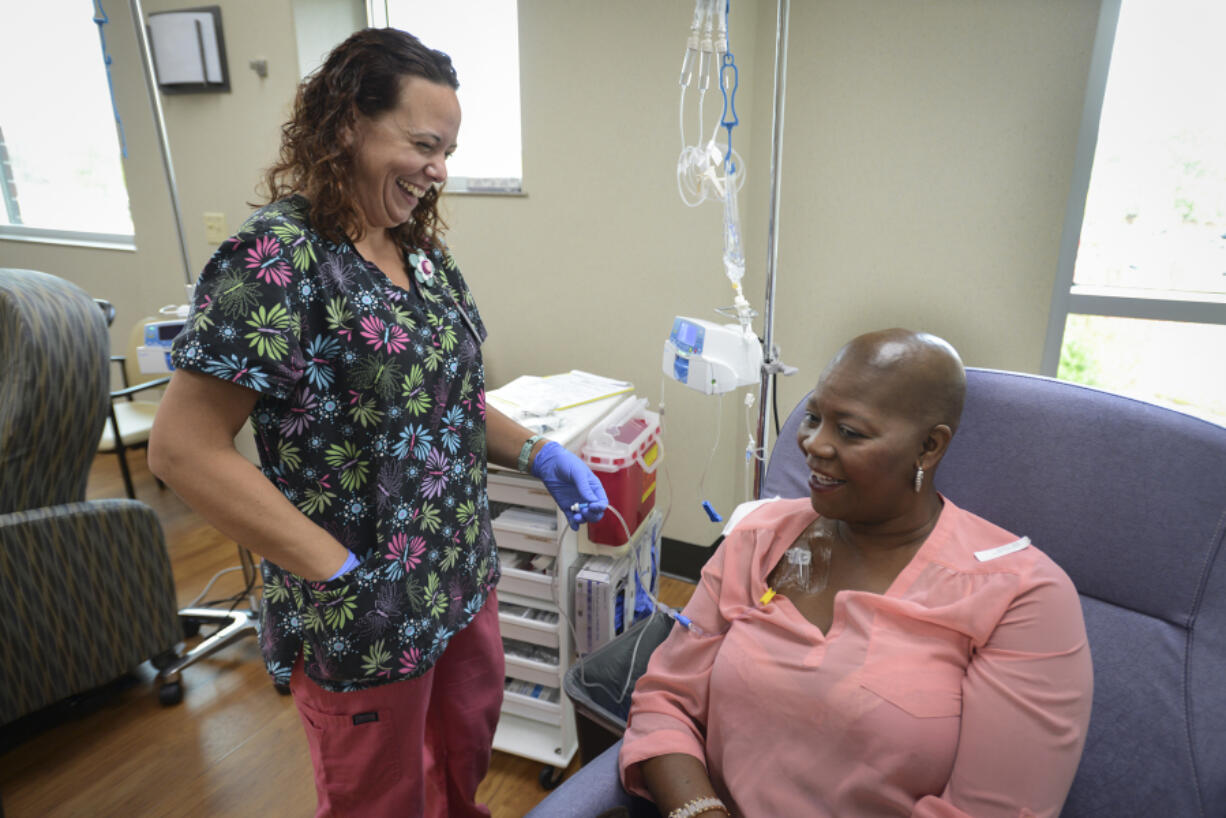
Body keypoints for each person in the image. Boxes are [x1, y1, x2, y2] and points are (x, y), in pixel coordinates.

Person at [148, 28, 607, 818]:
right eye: (423, 143)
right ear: (348, 124)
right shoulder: (276, 261)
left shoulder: (420, 255)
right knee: (379, 801)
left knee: (461, 763)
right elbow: (182, 451)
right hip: (362, 609)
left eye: (448, 151)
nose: (438, 170)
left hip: (459, 574)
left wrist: (535, 451)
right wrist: (335, 570)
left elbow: (445, 401)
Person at [618, 329, 1093, 818]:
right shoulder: (760, 539)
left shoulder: (1022, 596)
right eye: (814, 417)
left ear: (928, 448)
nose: (813, 445)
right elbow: (665, 701)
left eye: (850, 432)